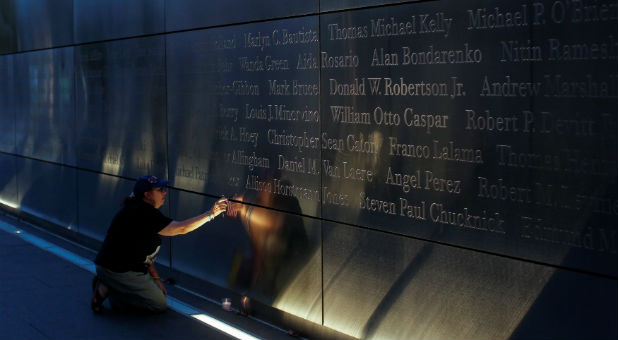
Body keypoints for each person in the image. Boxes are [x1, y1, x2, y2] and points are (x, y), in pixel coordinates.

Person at [90, 175, 227, 313]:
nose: (164, 192)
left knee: (154, 293)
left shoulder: (134, 208)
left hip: (109, 265)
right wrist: (210, 214)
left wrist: (156, 278)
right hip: (119, 270)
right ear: (147, 195)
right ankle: (110, 288)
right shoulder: (145, 214)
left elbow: (141, 253)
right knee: (157, 303)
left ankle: (110, 283)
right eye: (160, 189)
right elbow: (182, 228)